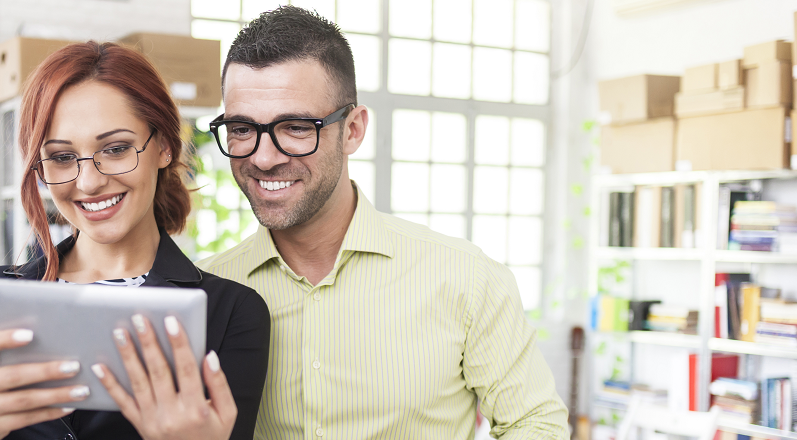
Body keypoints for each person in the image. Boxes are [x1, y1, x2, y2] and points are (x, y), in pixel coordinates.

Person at [196, 6, 568, 439]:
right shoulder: (209, 291)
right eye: (242, 129)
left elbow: (536, 423)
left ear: (352, 129)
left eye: (296, 127)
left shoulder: (465, 278)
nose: (263, 157)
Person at [0, 41, 271, 440]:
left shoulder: (231, 313)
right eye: (62, 157)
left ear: (165, 147)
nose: (88, 182)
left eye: (116, 149)